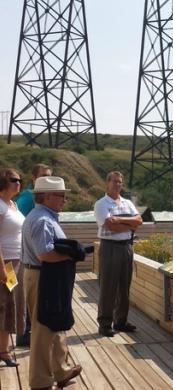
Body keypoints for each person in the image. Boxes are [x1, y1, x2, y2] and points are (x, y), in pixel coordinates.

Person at [22, 176, 82, 390]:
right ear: (47, 197)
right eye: (61, 196)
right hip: (42, 277)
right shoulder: (43, 220)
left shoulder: (42, 216)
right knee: (43, 329)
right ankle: (41, 381)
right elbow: (45, 254)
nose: (64, 200)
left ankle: (62, 370)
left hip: (41, 276)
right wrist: (71, 256)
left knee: (54, 324)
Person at [94, 171, 142, 337]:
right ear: (107, 183)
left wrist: (120, 220)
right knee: (108, 286)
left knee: (124, 286)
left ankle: (121, 321)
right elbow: (109, 225)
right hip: (110, 247)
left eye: (120, 182)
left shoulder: (127, 203)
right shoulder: (101, 204)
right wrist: (130, 223)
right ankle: (105, 323)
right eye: (115, 181)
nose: (118, 185)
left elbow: (139, 221)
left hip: (127, 247)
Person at [15, 163, 52, 347]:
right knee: (21, 295)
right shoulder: (28, 199)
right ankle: (23, 334)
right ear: (33, 179)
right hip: (23, 255)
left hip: (29, 254)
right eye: (43, 176)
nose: (46, 180)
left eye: (49, 176)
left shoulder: (39, 198)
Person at [0, 168, 25, 367]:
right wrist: (1, 267)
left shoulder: (13, 205)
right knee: (6, 305)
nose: (18, 183)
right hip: (6, 263)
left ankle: (4, 349)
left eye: (19, 180)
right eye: (14, 180)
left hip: (17, 262)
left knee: (10, 305)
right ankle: (3, 351)